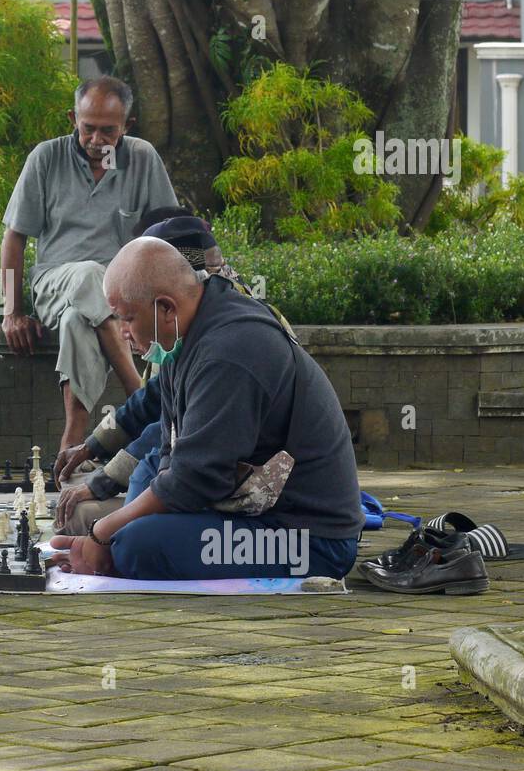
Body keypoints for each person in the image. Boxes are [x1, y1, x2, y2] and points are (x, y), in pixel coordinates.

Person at [48, 237, 362, 581]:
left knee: (136, 547)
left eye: (127, 318)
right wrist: (110, 531)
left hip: (306, 539)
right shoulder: (180, 340)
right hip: (252, 513)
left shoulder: (229, 353)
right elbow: (170, 451)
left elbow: (193, 480)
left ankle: (116, 550)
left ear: (166, 308)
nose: (122, 333)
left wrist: (103, 533)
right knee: (139, 497)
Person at [53, 213, 292, 531]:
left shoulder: (225, 339)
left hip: (257, 492)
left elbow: (167, 430)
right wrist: (94, 443)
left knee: (115, 532)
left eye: (128, 317)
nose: (123, 331)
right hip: (203, 471)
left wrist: (103, 483)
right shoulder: (188, 322)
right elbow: (148, 402)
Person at [0, 76, 179, 456]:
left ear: (127, 126)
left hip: (118, 299)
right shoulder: (45, 158)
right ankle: (140, 394)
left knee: (76, 324)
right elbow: (14, 238)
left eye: (108, 131)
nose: (97, 140)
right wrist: (12, 312)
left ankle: (73, 437)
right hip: (55, 284)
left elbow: (166, 232)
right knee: (90, 275)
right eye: (88, 128)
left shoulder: (143, 158)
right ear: (73, 119)